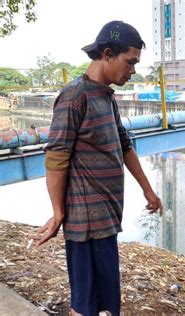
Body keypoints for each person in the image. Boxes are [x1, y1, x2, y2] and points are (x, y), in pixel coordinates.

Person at [33, 20, 163, 316]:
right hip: (85, 225)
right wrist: (58, 213)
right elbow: (56, 157)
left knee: (107, 303)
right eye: (130, 62)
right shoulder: (74, 96)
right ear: (107, 53)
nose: (133, 71)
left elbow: (125, 145)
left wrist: (148, 190)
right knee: (84, 305)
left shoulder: (106, 96)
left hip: (106, 220)